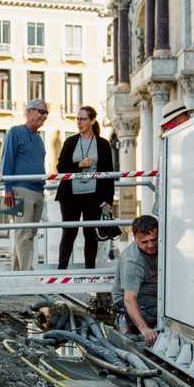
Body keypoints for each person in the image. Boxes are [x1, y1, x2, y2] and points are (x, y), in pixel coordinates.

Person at [55, 106, 114, 269]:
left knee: (90, 233)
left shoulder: (102, 144)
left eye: (83, 119)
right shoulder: (71, 141)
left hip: (93, 195)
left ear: (92, 120)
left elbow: (109, 173)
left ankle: (90, 270)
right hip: (70, 195)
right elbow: (60, 167)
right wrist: (79, 164)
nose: (79, 122)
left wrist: (108, 200)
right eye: (78, 119)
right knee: (69, 232)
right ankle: (62, 270)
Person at [1, 99, 48, 271]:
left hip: (37, 191)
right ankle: (27, 273)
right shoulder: (15, 132)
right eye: (41, 112)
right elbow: (7, 160)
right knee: (24, 234)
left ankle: (15, 274)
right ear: (29, 112)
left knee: (28, 235)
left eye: (46, 113)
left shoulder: (39, 139)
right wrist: (7, 189)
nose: (44, 116)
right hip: (19, 190)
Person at [111, 215, 160, 346]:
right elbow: (129, 298)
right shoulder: (132, 260)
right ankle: (126, 320)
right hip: (128, 298)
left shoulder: (164, 247)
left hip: (153, 292)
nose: (150, 245)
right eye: (144, 242)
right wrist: (144, 329)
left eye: (154, 239)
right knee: (159, 309)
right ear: (135, 237)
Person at [152, 101, 194, 215]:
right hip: (178, 193)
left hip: (179, 192)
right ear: (177, 119)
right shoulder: (174, 138)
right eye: (186, 115)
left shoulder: (168, 136)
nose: (189, 117)